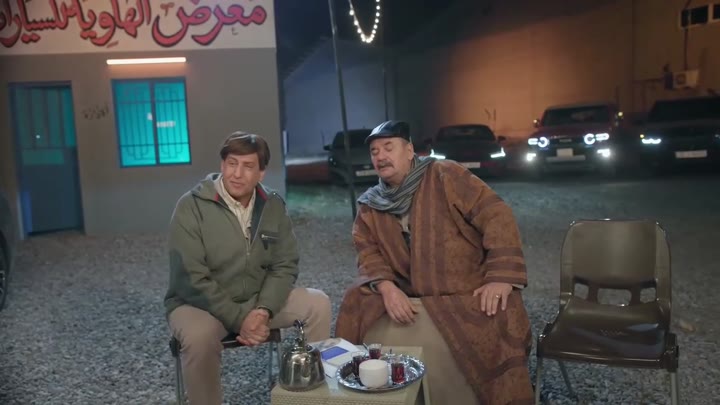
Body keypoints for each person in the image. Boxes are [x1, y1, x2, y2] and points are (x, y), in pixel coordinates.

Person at [334, 120, 534, 405]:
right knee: (357, 304)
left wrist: (500, 276)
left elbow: (496, 215)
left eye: (388, 148)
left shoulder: (445, 175)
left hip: (464, 290)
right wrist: (387, 288)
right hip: (408, 292)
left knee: (495, 317)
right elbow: (368, 251)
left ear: (409, 150)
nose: (380, 156)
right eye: (374, 152)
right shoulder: (370, 204)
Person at [164, 132, 331, 405]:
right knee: (199, 338)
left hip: (256, 300)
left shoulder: (273, 205)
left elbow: (285, 265)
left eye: (248, 166)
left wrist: (263, 310)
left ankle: (312, 399)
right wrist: (241, 319)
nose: (237, 173)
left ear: (261, 173)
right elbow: (191, 278)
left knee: (318, 303)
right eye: (232, 163)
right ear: (222, 165)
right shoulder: (190, 207)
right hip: (199, 305)